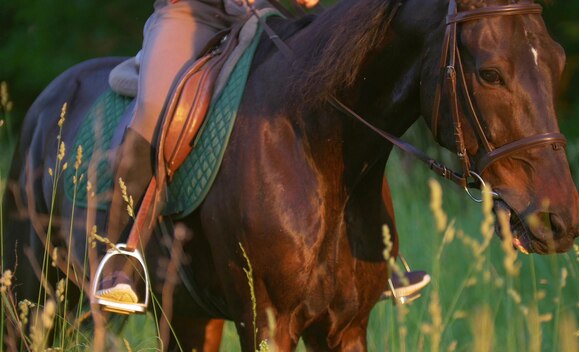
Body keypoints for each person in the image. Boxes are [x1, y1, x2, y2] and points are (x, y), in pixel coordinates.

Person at [95, 0, 429, 310]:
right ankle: (121, 256)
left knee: (341, 101)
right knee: (156, 112)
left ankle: (378, 254)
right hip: (191, 13)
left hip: (267, 12)